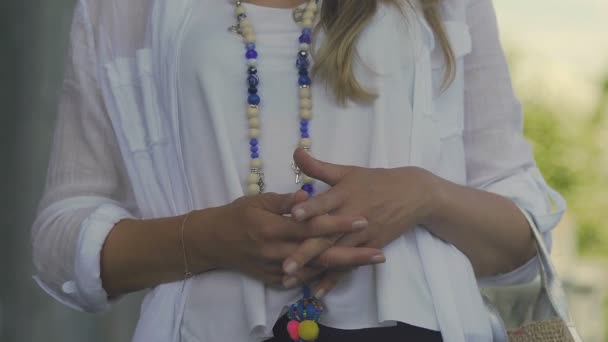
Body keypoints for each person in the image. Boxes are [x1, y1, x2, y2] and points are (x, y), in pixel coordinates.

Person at [31, 0, 566, 341]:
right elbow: (61, 236)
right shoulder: (118, 9)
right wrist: (207, 239)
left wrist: (423, 195)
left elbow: (520, 242)